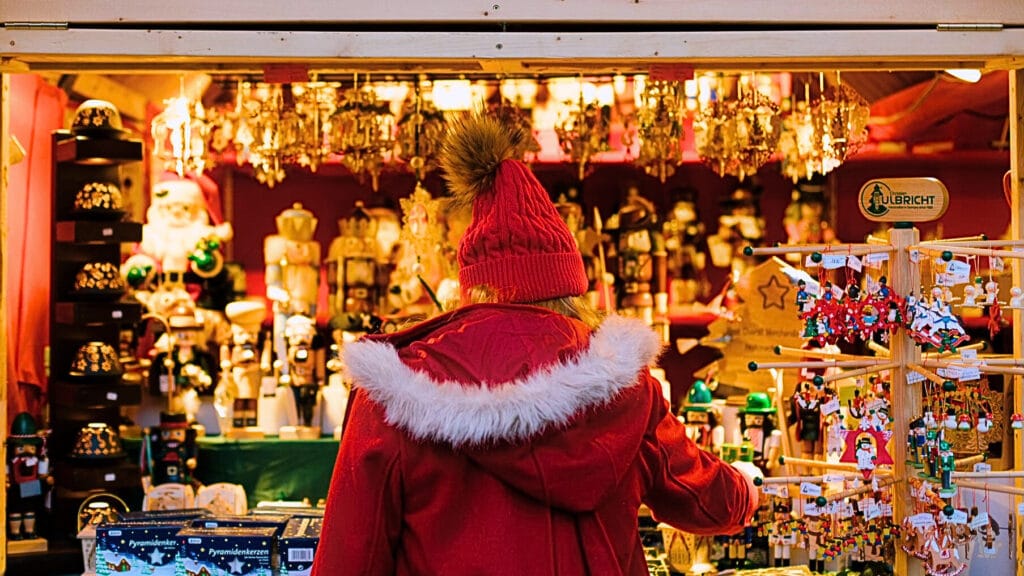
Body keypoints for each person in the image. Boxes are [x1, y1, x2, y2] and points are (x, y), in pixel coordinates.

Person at [311, 113, 760, 576]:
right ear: (569, 284)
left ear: (472, 283)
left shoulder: (397, 393)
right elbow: (702, 496)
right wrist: (748, 489)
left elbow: (349, 559)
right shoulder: (623, 386)